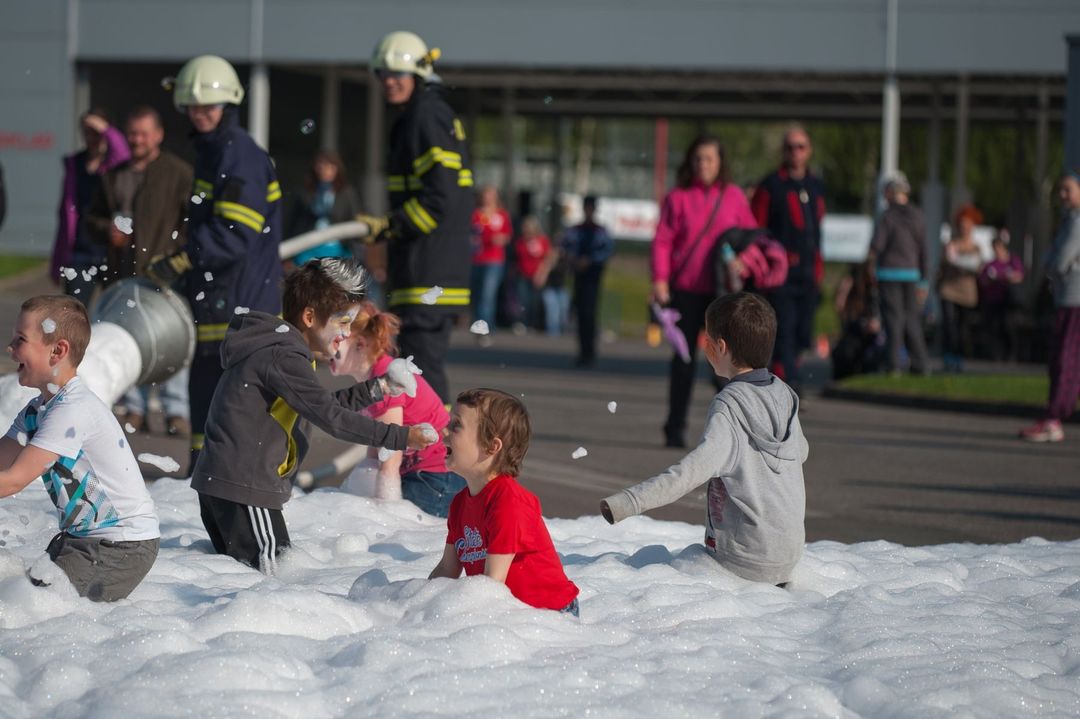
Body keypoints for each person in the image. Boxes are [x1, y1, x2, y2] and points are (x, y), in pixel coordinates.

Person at [190, 258, 437, 572]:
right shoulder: (283, 355)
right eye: (342, 322)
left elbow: (318, 405)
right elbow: (330, 417)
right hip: (245, 489)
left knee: (244, 576)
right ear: (309, 317)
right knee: (274, 577)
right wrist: (401, 437)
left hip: (225, 484)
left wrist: (376, 389)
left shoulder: (277, 347)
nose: (345, 333)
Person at [600, 292, 807, 586]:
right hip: (789, 556)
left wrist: (628, 502)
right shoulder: (785, 395)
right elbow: (801, 451)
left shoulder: (729, 406)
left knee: (653, 575)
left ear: (720, 347)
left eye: (706, 340)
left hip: (742, 560)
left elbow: (693, 470)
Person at [146, 55, 284, 472]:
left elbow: (236, 233)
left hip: (240, 306)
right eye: (193, 105)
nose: (200, 113)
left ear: (229, 104)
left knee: (231, 404)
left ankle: (227, 482)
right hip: (220, 303)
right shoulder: (213, 152)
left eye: (208, 105)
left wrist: (184, 258)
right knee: (207, 400)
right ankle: (203, 478)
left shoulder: (238, 154)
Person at [2, 295, 159, 601]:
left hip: (120, 545)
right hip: (82, 539)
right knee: (20, 596)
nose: (10, 347)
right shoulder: (37, 410)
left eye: (20, 339)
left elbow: (14, 480)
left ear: (58, 351)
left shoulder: (72, 410)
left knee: (38, 607)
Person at [358, 31, 474, 404]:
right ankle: (426, 437)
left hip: (429, 270)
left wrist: (392, 225)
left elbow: (440, 197)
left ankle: (435, 439)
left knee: (421, 372)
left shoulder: (425, 116)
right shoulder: (422, 115)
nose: (389, 81)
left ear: (419, 75)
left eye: (398, 74)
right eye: (383, 74)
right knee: (413, 369)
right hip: (425, 269)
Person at [83, 106, 193, 436]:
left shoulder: (178, 173)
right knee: (128, 339)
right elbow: (92, 219)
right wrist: (107, 231)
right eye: (132, 133)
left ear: (158, 135)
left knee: (171, 340)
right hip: (123, 274)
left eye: (144, 133)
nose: (137, 140)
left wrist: (176, 257)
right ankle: (134, 409)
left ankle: (176, 411)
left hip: (166, 276)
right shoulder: (113, 175)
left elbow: (192, 224)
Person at [428, 388, 580, 615]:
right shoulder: (460, 503)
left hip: (551, 615)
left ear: (491, 446)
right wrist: (415, 605)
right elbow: (447, 569)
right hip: (511, 612)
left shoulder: (508, 503)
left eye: (456, 425)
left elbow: (492, 585)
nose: (444, 430)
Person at [652, 137, 756, 447]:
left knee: (725, 365)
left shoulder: (734, 196)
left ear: (720, 162)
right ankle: (675, 428)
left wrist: (745, 261)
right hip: (685, 292)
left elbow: (752, 238)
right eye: (698, 158)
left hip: (721, 296)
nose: (703, 164)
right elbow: (663, 240)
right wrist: (660, 279)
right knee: (683, 363)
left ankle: (732, 431)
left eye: (709, 159)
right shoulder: (678, 197)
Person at [328, 300, 465, 516]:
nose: (327, 349)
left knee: (403, 526)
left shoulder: (386, 380)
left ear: (360, 344)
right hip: (428, 471)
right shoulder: (373, 378)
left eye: (335, 342)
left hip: (434, 476)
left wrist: (385, 513)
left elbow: (389, 454)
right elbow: (376, 448)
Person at [751, 124, 826, 392]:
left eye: (801, 147)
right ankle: (788, 384)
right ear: (783, 151)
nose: (796, 152)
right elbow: (756, 227)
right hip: (780, 274)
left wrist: (818, 268)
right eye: (790, 147)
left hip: (808, 272)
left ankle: (786, 379)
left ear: (809, 150)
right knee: (784, 330)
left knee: (803, 333)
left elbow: (818, 228)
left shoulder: (815, 185)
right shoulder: (771, 185)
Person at [1019, 170, 1080, 443]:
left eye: (1068, 189)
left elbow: (1059, 259)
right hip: (1068, 297)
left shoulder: (1077, 223)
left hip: (1074, 298)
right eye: (1061, 190)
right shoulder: (1070, 220)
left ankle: (1054, 418)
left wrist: (1052, 267)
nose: (1063, 195)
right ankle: (1055, 415)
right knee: (1066, 359)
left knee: (1065, 359)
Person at [51, 109, 131, 304]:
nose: (92, 138)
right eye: (87, 132)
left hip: (109, 251)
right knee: (74, 309)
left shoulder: (114, 165)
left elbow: (123, 152)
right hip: (80, 251)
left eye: (97, 132)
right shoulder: (75, 164)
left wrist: (105, 129)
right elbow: (65, 216)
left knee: (114, 308)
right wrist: (57, 261)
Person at [867, 171, 931, 375]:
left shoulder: (888, 216)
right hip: (912, 275)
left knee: (893, 321)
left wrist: (871, 270)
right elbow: (924, 251)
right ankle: (920, 364)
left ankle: (893, 365)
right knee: (912, 320)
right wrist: (924, 281)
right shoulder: (918, 216)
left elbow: (877, 246)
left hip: (889, 274)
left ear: (890, 193)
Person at [286, 150, 361, 267]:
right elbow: (293, 224)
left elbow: (355, 221)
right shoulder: (304, 193)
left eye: (330, 166)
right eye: (321, 166)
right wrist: (289, 255)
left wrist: (357, 254)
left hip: (338, 248)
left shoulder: (347, 193)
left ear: (337, 169)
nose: (325, 170)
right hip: (308, 247)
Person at [565, 195, 615, 366]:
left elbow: (607, 250)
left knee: (590, 312)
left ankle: (589, 350)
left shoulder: (600, 231)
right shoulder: (576, 230)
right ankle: (582, 349)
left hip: (593, 275)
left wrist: (590, 260)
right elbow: (566, 245)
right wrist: (573, 259)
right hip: (579, 275)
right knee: (580, 312)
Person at [937, 204, 983, 372]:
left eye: (968, 225)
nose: (965, 228)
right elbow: (944, 264)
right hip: (949, 289)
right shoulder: (950, 244)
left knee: (962, 328)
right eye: (962, 224)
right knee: (949, 325)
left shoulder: (976, 248)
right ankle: (948, 357)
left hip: (967, 293)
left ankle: (959, 357)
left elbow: (977, 267)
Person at [830, 261, 886, 380]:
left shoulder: (884, 291)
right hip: (857, 335)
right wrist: (844, 289)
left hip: (878, 337)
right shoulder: (858, 292)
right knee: (844, 352)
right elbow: (840, 308)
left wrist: (879, 325)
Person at [469, 185, 512, 335]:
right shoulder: (475, 214)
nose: (487, 198)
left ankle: (485, 326)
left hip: (494, 260)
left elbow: (507, 235)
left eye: (490, 195)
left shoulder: (501, 215)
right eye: (485, 195)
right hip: (476, 259)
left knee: (487, 295)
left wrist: (501, 239)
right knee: (476, 294)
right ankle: (478, 323)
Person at [978, 233, 1025, 362]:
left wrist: (1006, 277)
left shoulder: (1012, 261)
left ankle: (1011, 353)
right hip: (993, 300)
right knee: (994, 327)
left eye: (999, 247)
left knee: (1008, 326)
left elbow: (1019, 276)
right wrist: (991, 279)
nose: (997, 250)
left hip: (1008, 300)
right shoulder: (990, 264)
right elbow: (982, 281)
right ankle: (996, 354)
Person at [511, 215, 552, 332]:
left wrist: (542, 274)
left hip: (537, 275)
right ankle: (522, 323)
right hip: (523, 275)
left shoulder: (542, 241)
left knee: (535, 302)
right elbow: (516, 258)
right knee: (523, 300)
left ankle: (534, 324)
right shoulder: (520, 242)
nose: (526, 230)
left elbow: (548, 258)